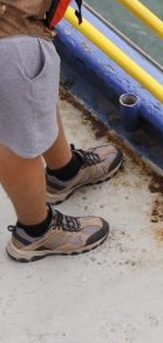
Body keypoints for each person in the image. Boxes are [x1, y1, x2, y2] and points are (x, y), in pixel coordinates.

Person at [2, 0, 124, 262]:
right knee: (16, 140)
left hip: (19, 24)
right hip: (10, 33)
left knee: (32, 100)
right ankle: (36, 231)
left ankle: (64, 172)